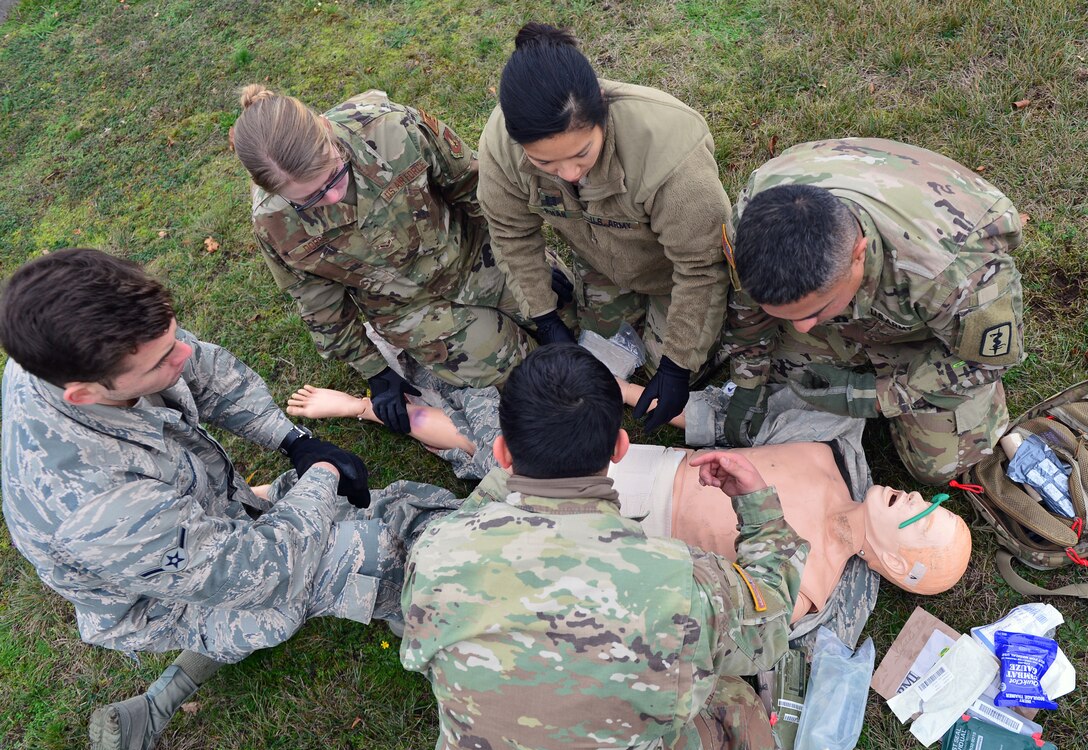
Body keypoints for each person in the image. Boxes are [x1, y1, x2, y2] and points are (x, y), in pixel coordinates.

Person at [0, 250, 459, 750]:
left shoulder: (77, 336)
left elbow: (209, 374)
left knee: (336, 515)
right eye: (160, 361)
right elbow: (264, 568)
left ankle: (157, 703)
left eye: (174, 336)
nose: (181, 356)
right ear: (84, 395)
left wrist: (295, 441)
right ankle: (436, 621)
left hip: (194, 523)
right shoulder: (96, 509)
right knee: (365, 553)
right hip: (159, 600)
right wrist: (323, 476)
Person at [399, 344, 807, 750]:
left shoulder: (435, 551)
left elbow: (472, 521)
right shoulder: (684, 584)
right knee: (737, 707)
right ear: (620, 447)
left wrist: (526, 460)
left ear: (501, 455)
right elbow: (769, 630)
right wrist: (758, 509)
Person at [288, 384, 972, 624]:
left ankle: (312, 504)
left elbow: (682, 604)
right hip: (642, 467)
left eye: (920, 516)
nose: (913, 496)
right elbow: (713, 416)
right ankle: (356, 411)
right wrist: (621, 387)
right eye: (930, 500)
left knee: (454, 537)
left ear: (901, 565)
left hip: (621, 541)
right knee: (494, 443)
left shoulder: (805, 586)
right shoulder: (827, 451)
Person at [232, 84, 569, 436]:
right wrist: (375, 371)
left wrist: (523, 265)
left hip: (473, 253)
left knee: (567, 315)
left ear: (325, 131)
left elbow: (477, 190)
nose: (332, 196)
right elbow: (319, 303)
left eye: (334, 175)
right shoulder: (272, 222)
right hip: (409, 308)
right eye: (310, 199)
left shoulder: (392, 129)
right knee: (522, 373)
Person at [719, 138, 1024, 484]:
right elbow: (746, 303)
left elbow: (984, 361)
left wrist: (871, 397)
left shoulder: (954, 274)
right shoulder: (752, 219)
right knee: (784, 381)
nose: (801, 329)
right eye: (788, 314)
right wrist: (748, 380)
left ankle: (982, 410)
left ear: (859, 254)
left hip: (926, 328)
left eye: (815, 311)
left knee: (938, 467)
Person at [477, 22, 734, 432]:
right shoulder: (502, 146)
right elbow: (510, 233)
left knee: (660, 369)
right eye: (545, 164)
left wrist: (678, 365)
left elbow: (702, 266)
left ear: (601, 111)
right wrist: (544, 317)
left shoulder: (668, 151)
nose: (568, 173)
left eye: (582, 154)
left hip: (673, 272)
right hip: (600, 259)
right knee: (593, 353)